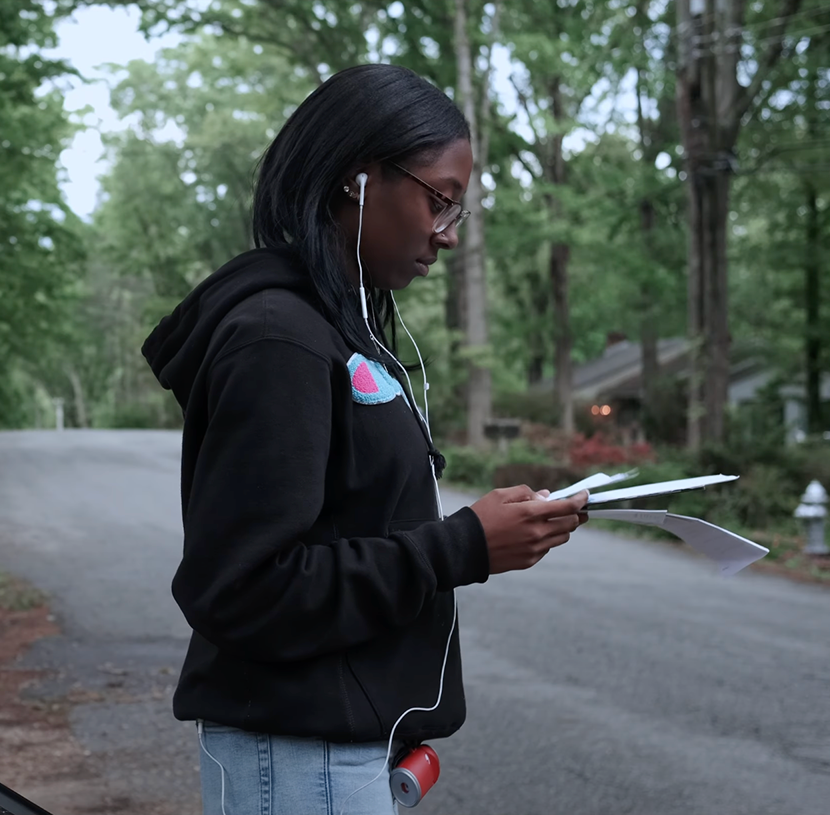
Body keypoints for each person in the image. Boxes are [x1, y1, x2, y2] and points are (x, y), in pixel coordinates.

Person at [140, 64, 590, 815]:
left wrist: (478, 537)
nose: (449, 234)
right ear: (356, 179)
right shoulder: (278, 339)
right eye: (438, 200)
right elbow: (244, 589)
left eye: (457, 210)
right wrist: (463, 545)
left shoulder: (339, 332)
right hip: (296, 752)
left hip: (335, 748)